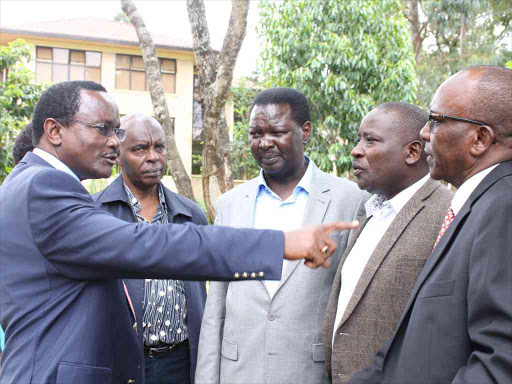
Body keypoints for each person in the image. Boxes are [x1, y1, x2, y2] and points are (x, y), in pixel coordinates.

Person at [0, 81, 357, 384]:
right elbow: (144, 243)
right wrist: (280, 242)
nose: (114, 142)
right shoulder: (45, 187)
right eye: (103, 129)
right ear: (54, 131)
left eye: (117, 131)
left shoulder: (28, 182)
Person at [349, 66, 512, 384]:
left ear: (479, 139)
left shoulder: (503, 208)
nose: (424, 132)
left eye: (436, 121)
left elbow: (501, 363)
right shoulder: (474, 203)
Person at [195, 88, 368, 384]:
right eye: (255, 134)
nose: (264, 143)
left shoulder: (350, 200)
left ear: (306, 131)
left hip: (308, 372)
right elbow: (216, 305)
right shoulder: (231, 204)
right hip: (239, 372)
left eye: (277, 132)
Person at [323, 102, 453, 383]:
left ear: (412, 152)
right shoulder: (371, 211)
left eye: (370, 140)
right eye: (359, 139)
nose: (356, 150)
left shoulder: (447, 213)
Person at [94, 114, 207, 384]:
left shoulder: (189, 214)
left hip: (182, 361)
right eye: (140, 149)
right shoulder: (96, 213)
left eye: (159, 147)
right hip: (120, 363)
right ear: (119, 155)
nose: (153, 157)